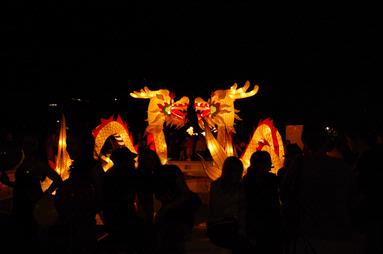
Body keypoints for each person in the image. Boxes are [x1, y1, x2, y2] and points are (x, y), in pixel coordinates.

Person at [243, 150, 282, 254]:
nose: (271, 163)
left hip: (254, 222)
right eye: (268, 161)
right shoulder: (272, 180)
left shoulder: (247, 180)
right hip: (268, 222)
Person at [207, 156, 246, 254]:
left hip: (220, 225)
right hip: (223, 225)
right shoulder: (238, 188)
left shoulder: (216, 185)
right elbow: (218, 208)